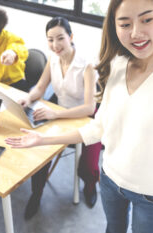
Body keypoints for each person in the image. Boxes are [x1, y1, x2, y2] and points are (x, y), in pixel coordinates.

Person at [6, 0, 153, 232]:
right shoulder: (118, 64)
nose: (136, 33)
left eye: (147, 19)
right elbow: (98, 127)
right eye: (125, 24)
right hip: (110, 180)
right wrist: (41, 139)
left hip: (151, 194)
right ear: (114, 26)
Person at [17, 17, 102, 219]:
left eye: (60, 38)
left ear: (71, 37)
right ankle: (36, 194)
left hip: (87, 117)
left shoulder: (87, 65)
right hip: (60, 112)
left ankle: (90, 186)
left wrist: (55, 114)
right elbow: (40, 87)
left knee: (89, 167)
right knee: (40, 152)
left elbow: (90, 106)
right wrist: (28, 97)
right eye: (50, 39)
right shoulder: (52, 58)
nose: (55, 45)